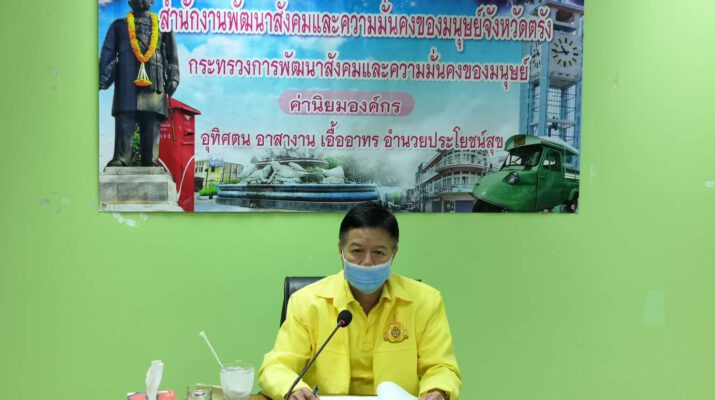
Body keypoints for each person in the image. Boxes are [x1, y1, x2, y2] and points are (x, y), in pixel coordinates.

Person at [259, 202, 461, 400]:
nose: (367, 262)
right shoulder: (306, 302)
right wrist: (294, 390)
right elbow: (277, 367)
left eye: (378, 253)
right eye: (357, 251)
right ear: (341, 250)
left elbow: (441, 366)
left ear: (394, 253)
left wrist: (439, 390)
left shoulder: (425, 301)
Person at [99, 0, 179, 168]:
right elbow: (108, 54)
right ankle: (121, 158)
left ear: (152, 1)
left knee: (152, 122)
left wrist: (173, 78)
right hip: (126, 81)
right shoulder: (118, 26)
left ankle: (150, 160)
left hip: (154, 82)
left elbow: (172, 56)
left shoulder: (163, 26)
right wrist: (102, 78)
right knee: (125, 119)